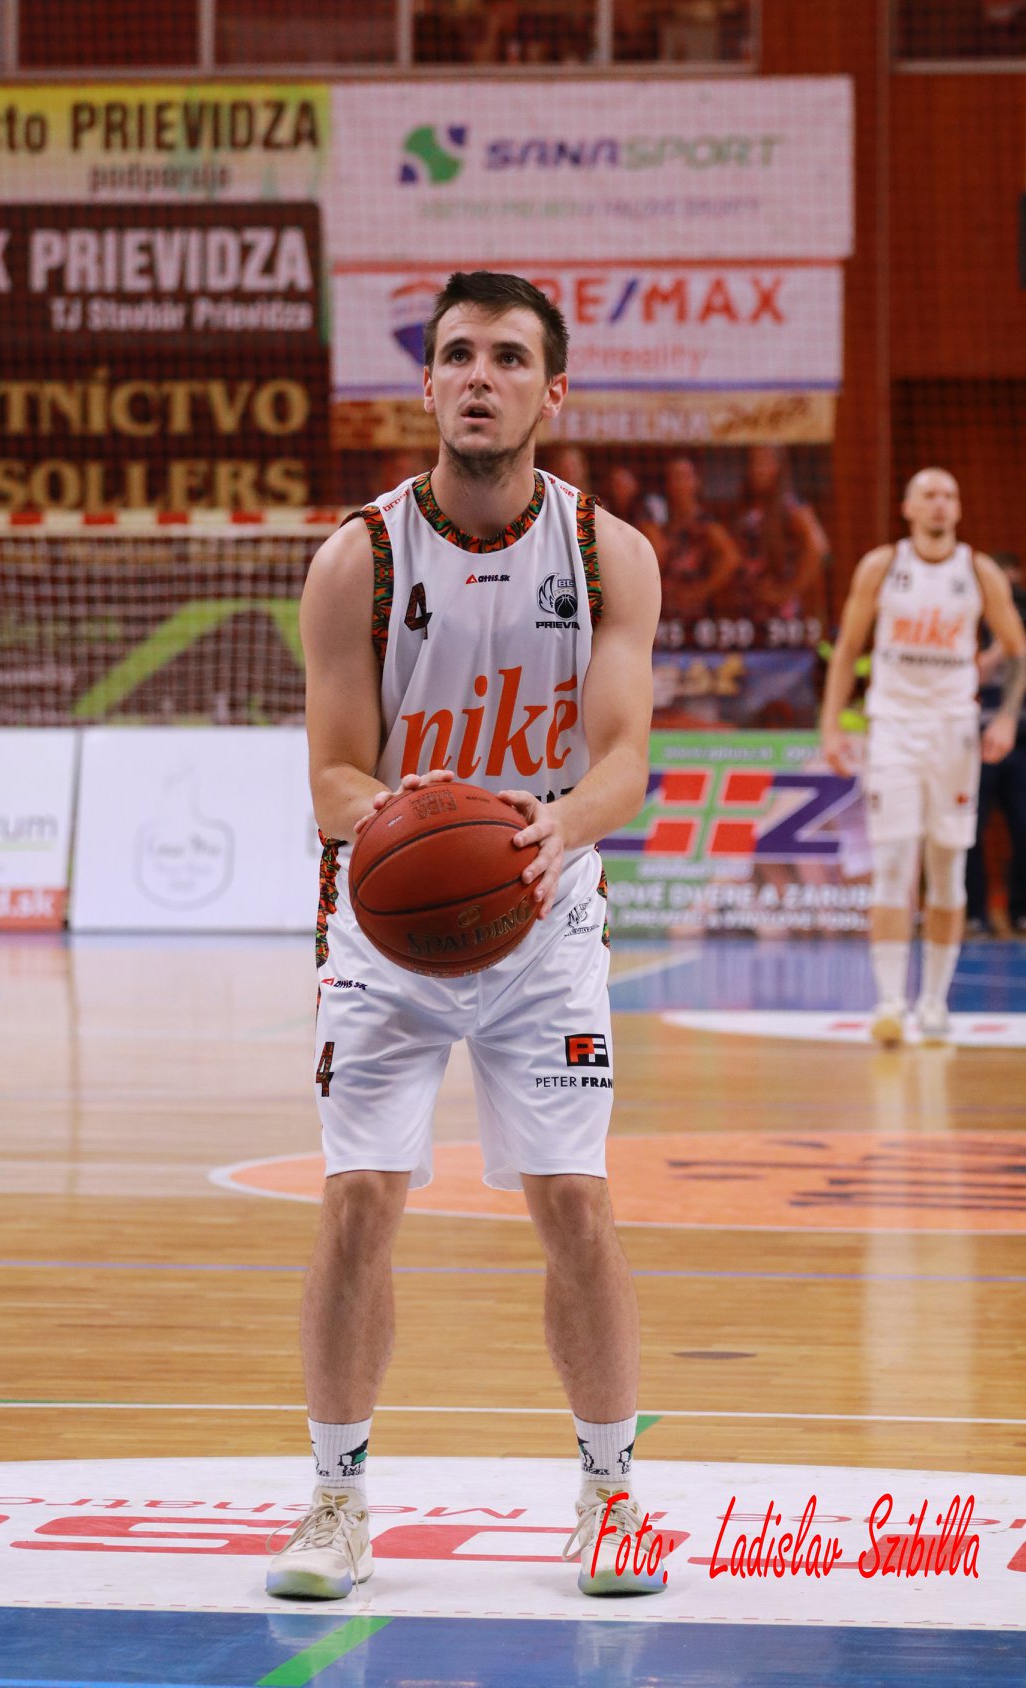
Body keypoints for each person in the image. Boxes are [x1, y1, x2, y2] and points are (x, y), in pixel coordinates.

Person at [266, 271, 662, 1601]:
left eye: (507, 356)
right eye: (457, 355)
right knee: (356, 1202)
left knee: (576, 1204)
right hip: (390, 931)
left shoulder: (607, 552)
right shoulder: (358, 559)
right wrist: (399, 817)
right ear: (427, 385)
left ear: (554, 391)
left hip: (545, 917)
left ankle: (611, 1492)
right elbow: (331, 773)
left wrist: (551, 827)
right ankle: (336, 1500)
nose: (479, 375)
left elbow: (624, 760)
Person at [820, 468, 1026, 1045]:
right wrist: (831, 724)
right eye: (930, 495)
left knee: (947, 869)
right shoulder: (883, 566)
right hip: (893, 729)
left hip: (954, 731)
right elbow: (847, 650)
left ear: (958, 509)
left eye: (949, 496)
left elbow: (1018, 650)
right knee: (892, 865)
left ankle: (934, 1002)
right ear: (908, 507)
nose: (941, 504)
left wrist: (1006, 716)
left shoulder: (978, 571)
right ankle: (890, 1002)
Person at [966, 552, 1026, 934]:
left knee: (1023, 827)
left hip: (1021, 742)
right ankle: (975, 913)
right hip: (975, 742)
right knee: (968, 831)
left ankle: (1020, 911)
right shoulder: (968, 619)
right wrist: (1002, 647)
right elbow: (966, 675)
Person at [721, 444, 828, 624]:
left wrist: (786, 591)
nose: (757, 469)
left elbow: (818, 549)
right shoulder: (746, 506)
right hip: (746, 612)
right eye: (753, 462)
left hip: (780, 617)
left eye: (764, 462)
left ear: (779, 467)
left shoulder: (791, 507)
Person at [647, 453, 741, 623]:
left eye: (685, 477)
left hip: (696, 617)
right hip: (665, 615)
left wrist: (701, 590)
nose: (679, 484)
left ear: (697, 482)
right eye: (674, 478)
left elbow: (732, 558)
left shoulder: (705, 524)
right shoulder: (662, 523)